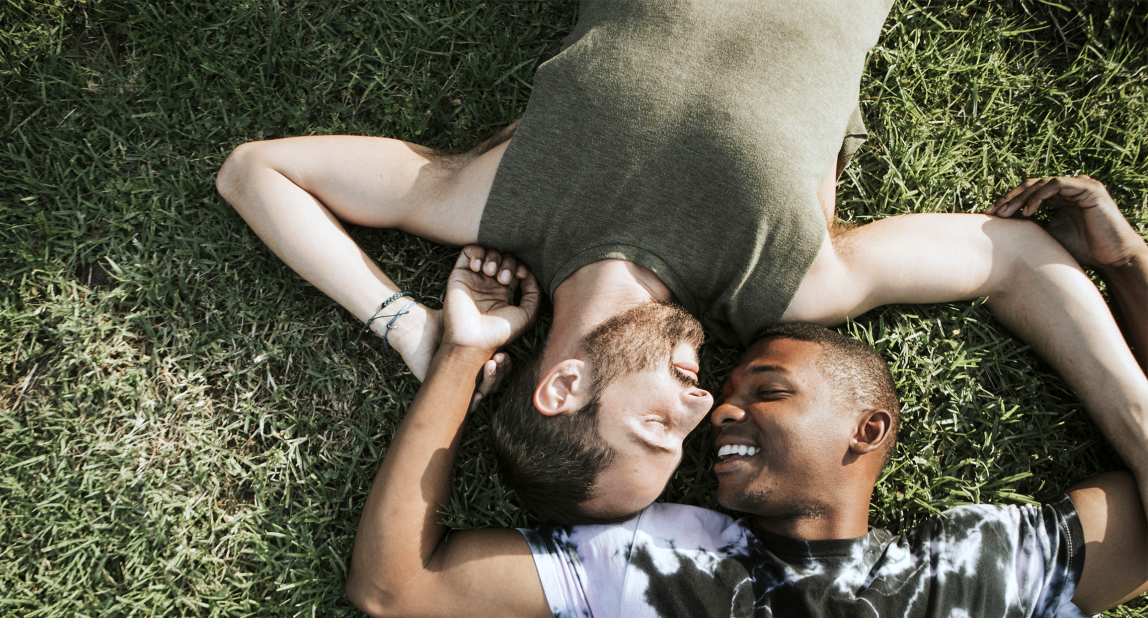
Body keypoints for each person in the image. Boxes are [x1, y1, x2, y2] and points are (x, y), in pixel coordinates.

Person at [345, 177, 1148, 618]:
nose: (719, 413)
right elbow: (396, 583)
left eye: (767, 392)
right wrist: (464, 355)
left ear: (868, 430)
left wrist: (1130, 271)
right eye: (721, 394)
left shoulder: (986, 573)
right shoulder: (644, 561)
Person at [216, 0, 1148, 526]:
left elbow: (256, 172)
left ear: (562, 383)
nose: (704, 408)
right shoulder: (787, 283)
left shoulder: (495, 202)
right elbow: (1015, 257)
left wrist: (414, 330)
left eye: (660, 432)